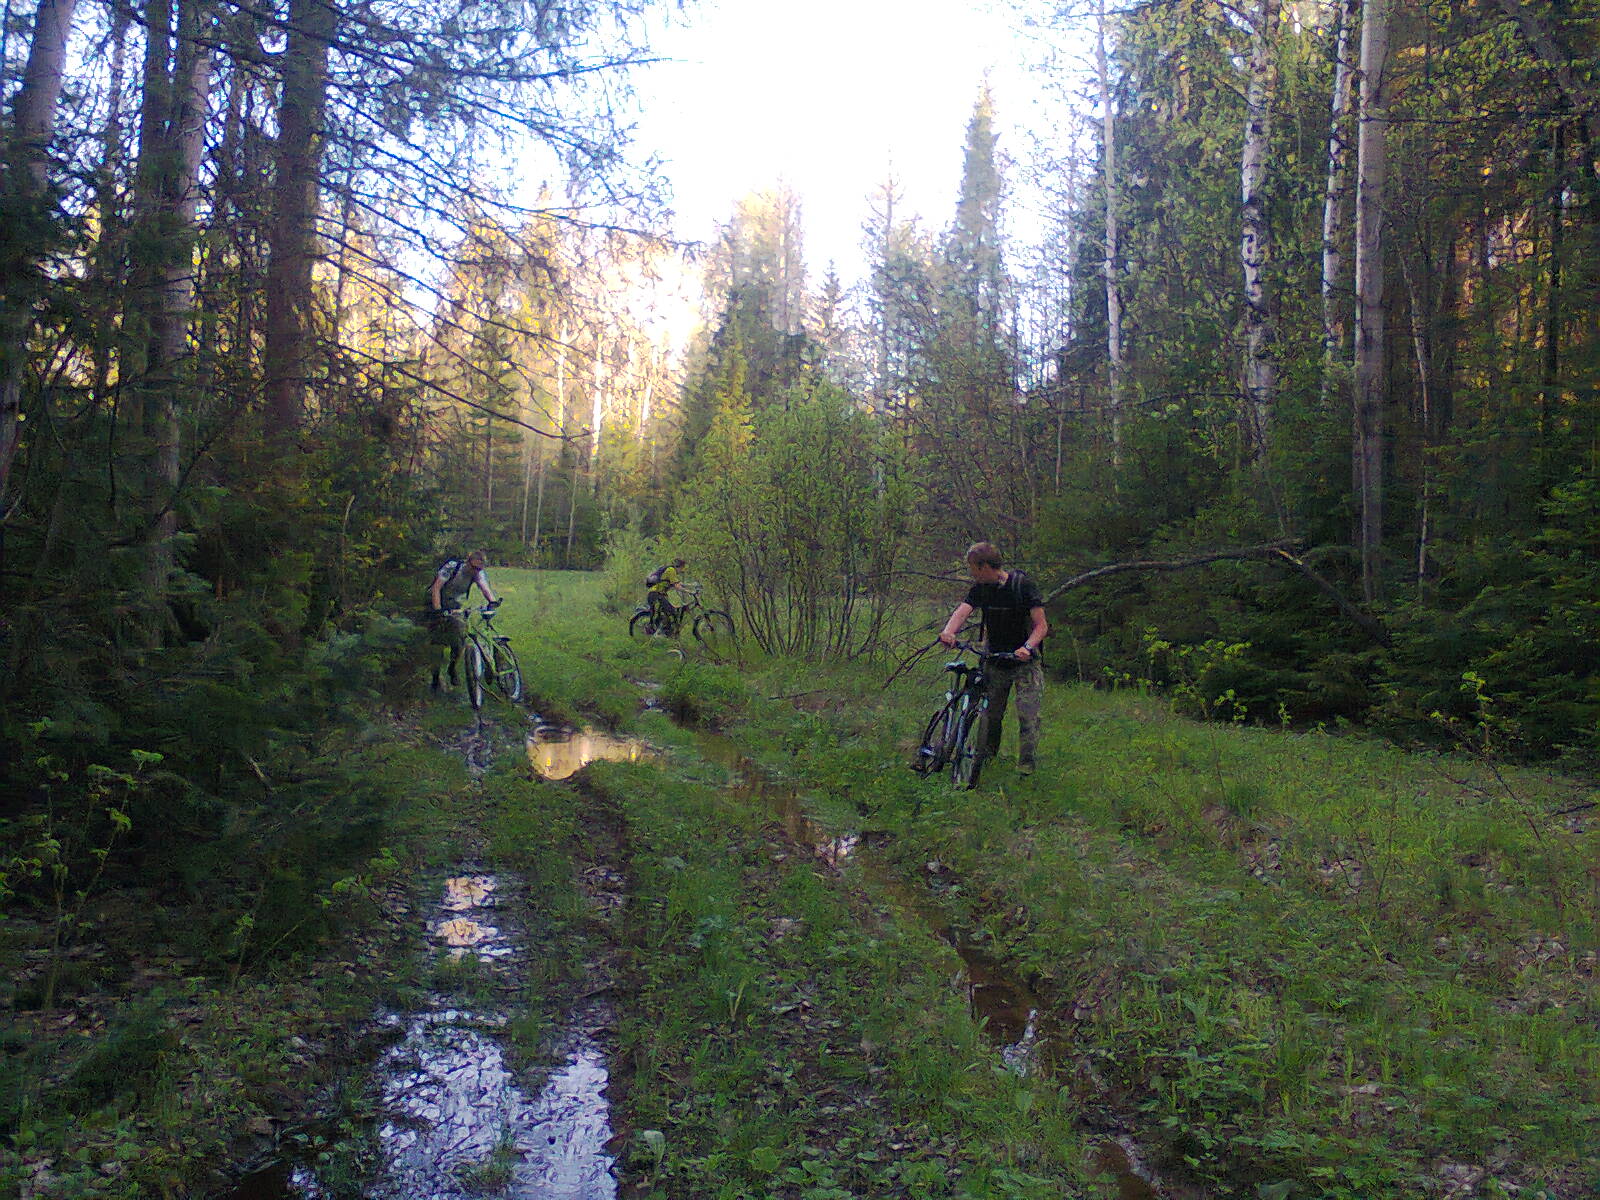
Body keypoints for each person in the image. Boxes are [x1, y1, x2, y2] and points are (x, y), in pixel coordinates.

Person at [938, 541, 1048, 776]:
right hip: (995, 660)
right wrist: (949, 632)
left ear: (985, 566)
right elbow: (962, 611)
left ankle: (1026, 769)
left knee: (1028, 716)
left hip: (1025, 663)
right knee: (991, 715)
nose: (972, 574)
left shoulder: (1022, 586)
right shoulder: (980, 589)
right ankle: (985, 761)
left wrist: (1027, 647)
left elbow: (1041, 626)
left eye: (973, 568)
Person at [426, 550, 499, 691]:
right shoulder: (452, 567)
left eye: (479, 569)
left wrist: (492, 601)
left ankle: (452, 668)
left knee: (459, 638)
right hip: (436, 603)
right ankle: (435, 678)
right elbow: (436, 588)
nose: (476, 572)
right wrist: (438, 610)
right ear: (468, 562)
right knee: (437, 644)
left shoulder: (478, 573)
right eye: (474, 568)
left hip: (454, 606)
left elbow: (484, 587)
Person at [645, 557, 688, 630]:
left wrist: (692, 585)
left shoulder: (671, 570)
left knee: (668, 611)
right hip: (655, 594)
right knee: (672, 611)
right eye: (682, 568)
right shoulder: (671, 570)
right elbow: (677, 586)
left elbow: (679, 583)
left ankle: (667, 630)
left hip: (657, 594)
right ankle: (661, 630)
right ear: (679, 566)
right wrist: (689, 591)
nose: (682, 570)